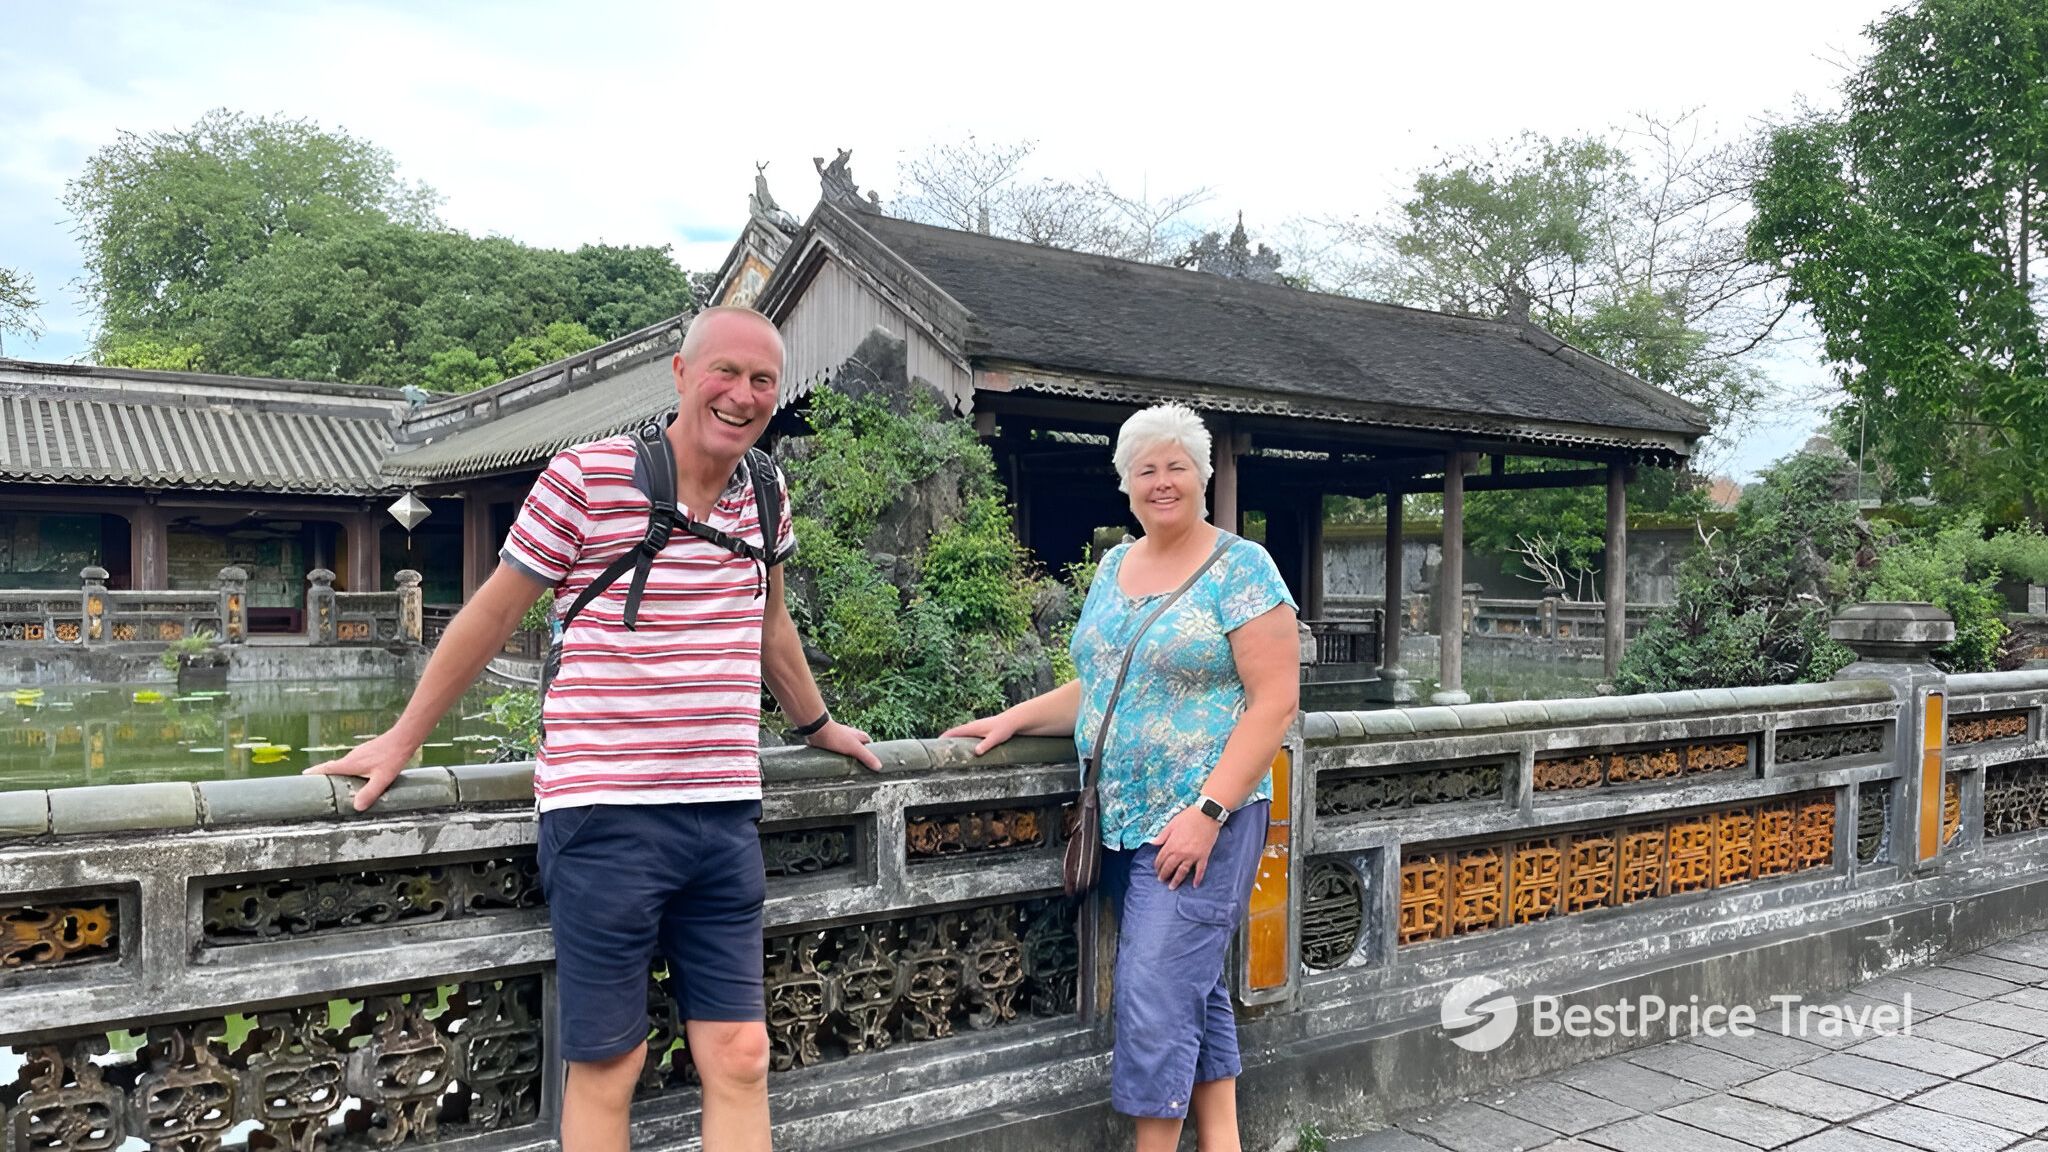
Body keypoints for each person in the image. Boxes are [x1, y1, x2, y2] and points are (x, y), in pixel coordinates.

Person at [309, 305, 881, 1152]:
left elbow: (770, 625)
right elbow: (491, 617)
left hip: (725, 810)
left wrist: (817, 724)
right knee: (611, 1063)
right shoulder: (587, 477)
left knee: (743, 1052)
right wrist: (403, 739)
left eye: (764, 380)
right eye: (725, 372)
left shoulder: (768, 490)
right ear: (683, 376)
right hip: (604, 812)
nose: (744, 394)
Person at [943, 403, 1298, 1152]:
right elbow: (1104, 686)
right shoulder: (1114, 566)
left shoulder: (1243, 567)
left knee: (1152, 991)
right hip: (1120, 816)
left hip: (1204, 817)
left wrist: (1208, 809)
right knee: (1186, 985)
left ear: (1202, 477)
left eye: (1176, 467)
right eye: (1146, 470)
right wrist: (1013, 718)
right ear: (1125, 485)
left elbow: (1275, 702)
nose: (1161, 482)